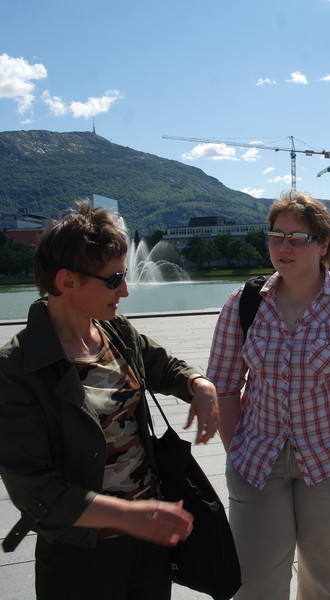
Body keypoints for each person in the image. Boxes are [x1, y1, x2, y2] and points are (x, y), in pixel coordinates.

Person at [0, 201, 220, 600]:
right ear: (67, 281)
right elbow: (34, 488)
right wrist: (131, 515)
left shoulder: (114, 330)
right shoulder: (17, 367)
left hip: (147, 542)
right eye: (114, 279)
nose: (125, 290)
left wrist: (198, 384)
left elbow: (164, 366)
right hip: (79, 555)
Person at [207, 190, 330, 600]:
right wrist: (234, 450)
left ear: (324, 244)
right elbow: (222, 384)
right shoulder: (244, 303)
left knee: (326, 582)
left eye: (299, 238)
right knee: (254, 582)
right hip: (257, 460)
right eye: (276, 236)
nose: (285, 247)